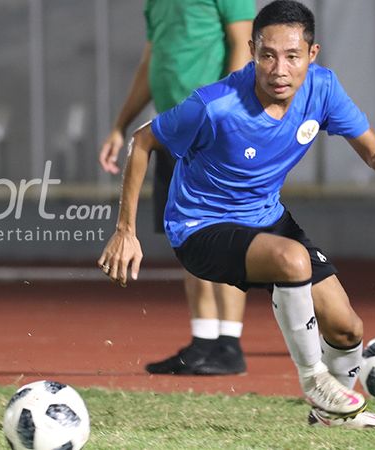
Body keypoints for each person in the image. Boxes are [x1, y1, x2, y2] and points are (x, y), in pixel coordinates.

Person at [98, 0, 375, 428]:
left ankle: (330, 419)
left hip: (265, 218)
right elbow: (142, 141)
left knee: (348, 330)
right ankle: (314, 379)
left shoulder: (323, 89)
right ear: (251, 52)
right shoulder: (216, 104)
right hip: (200, 227)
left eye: (292, 56)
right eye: (267, 55)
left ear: (312, 55)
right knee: (291, 259)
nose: (279, 69)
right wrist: (125, 231)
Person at [98, 0, 256, 375]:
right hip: (173, 131)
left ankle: (229, 346)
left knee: (225, 235)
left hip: (212, 132)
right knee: (187, 236)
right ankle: (203, 343)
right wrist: (121, 125)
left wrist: (221, 115)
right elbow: (151, 62)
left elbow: (242, 45)